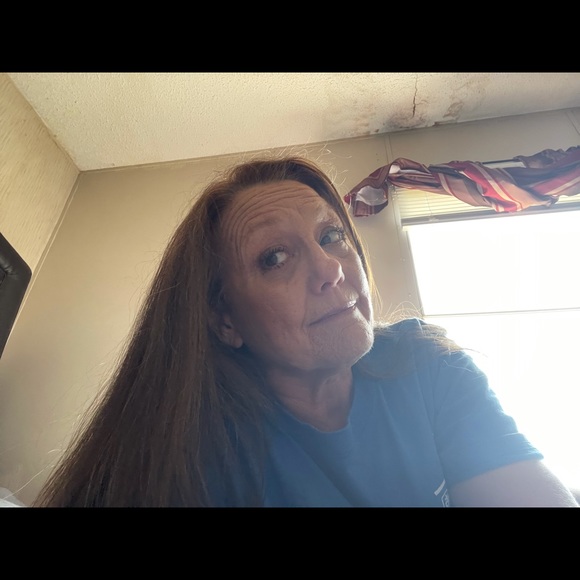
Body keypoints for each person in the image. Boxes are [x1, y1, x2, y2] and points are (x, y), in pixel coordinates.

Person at [33, 154, 579, 508]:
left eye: (331, 236)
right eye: (275, 257)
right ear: (225, 320)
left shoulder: (429, 363)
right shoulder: (190, 448)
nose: (330, 269)